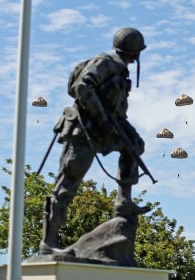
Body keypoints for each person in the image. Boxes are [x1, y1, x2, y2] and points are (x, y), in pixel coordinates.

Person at [40, 27, 150, 255]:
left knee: (133, 146)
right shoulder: (106, 63)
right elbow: (83, 87)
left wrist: (127, 132)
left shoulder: (120, 70)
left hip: (102, 127)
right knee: (68, 181)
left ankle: (123, 200)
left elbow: (117, 110)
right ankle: (48, 242)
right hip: (83, 129)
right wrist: (105, 122)